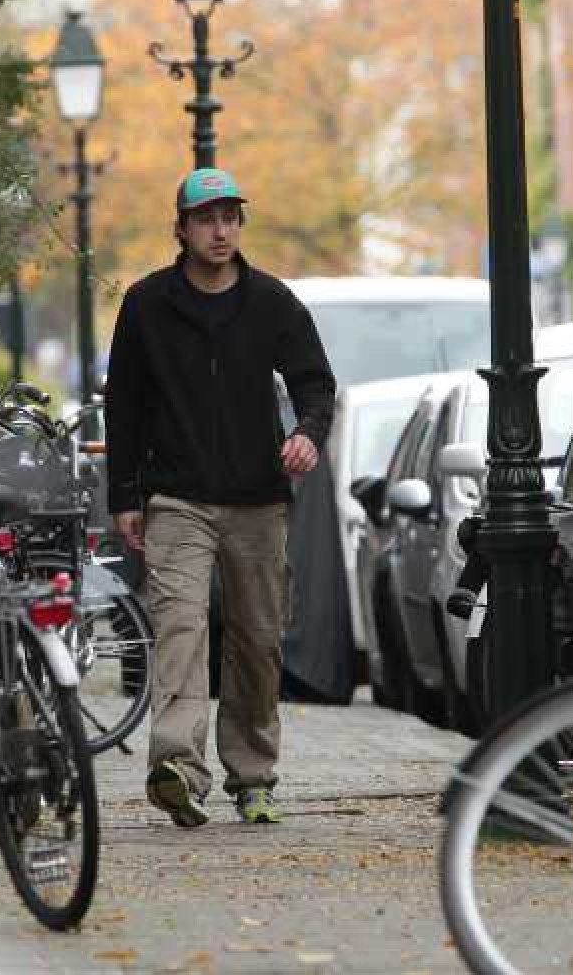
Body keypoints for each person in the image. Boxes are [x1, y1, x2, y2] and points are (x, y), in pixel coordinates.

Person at [104, 167, 337, 827]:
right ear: (180, 228)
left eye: (231, 217)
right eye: (206, 218)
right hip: (176, 496)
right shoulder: (147, 305)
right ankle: (176, 765)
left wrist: (307, 433)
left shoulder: (272, 302)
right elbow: (122, 405)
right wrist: (125, 494)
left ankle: (254, 775)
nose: (220, 229)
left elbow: (317, 384)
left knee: (258, 640)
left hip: (258, 500)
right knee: (180, 626)